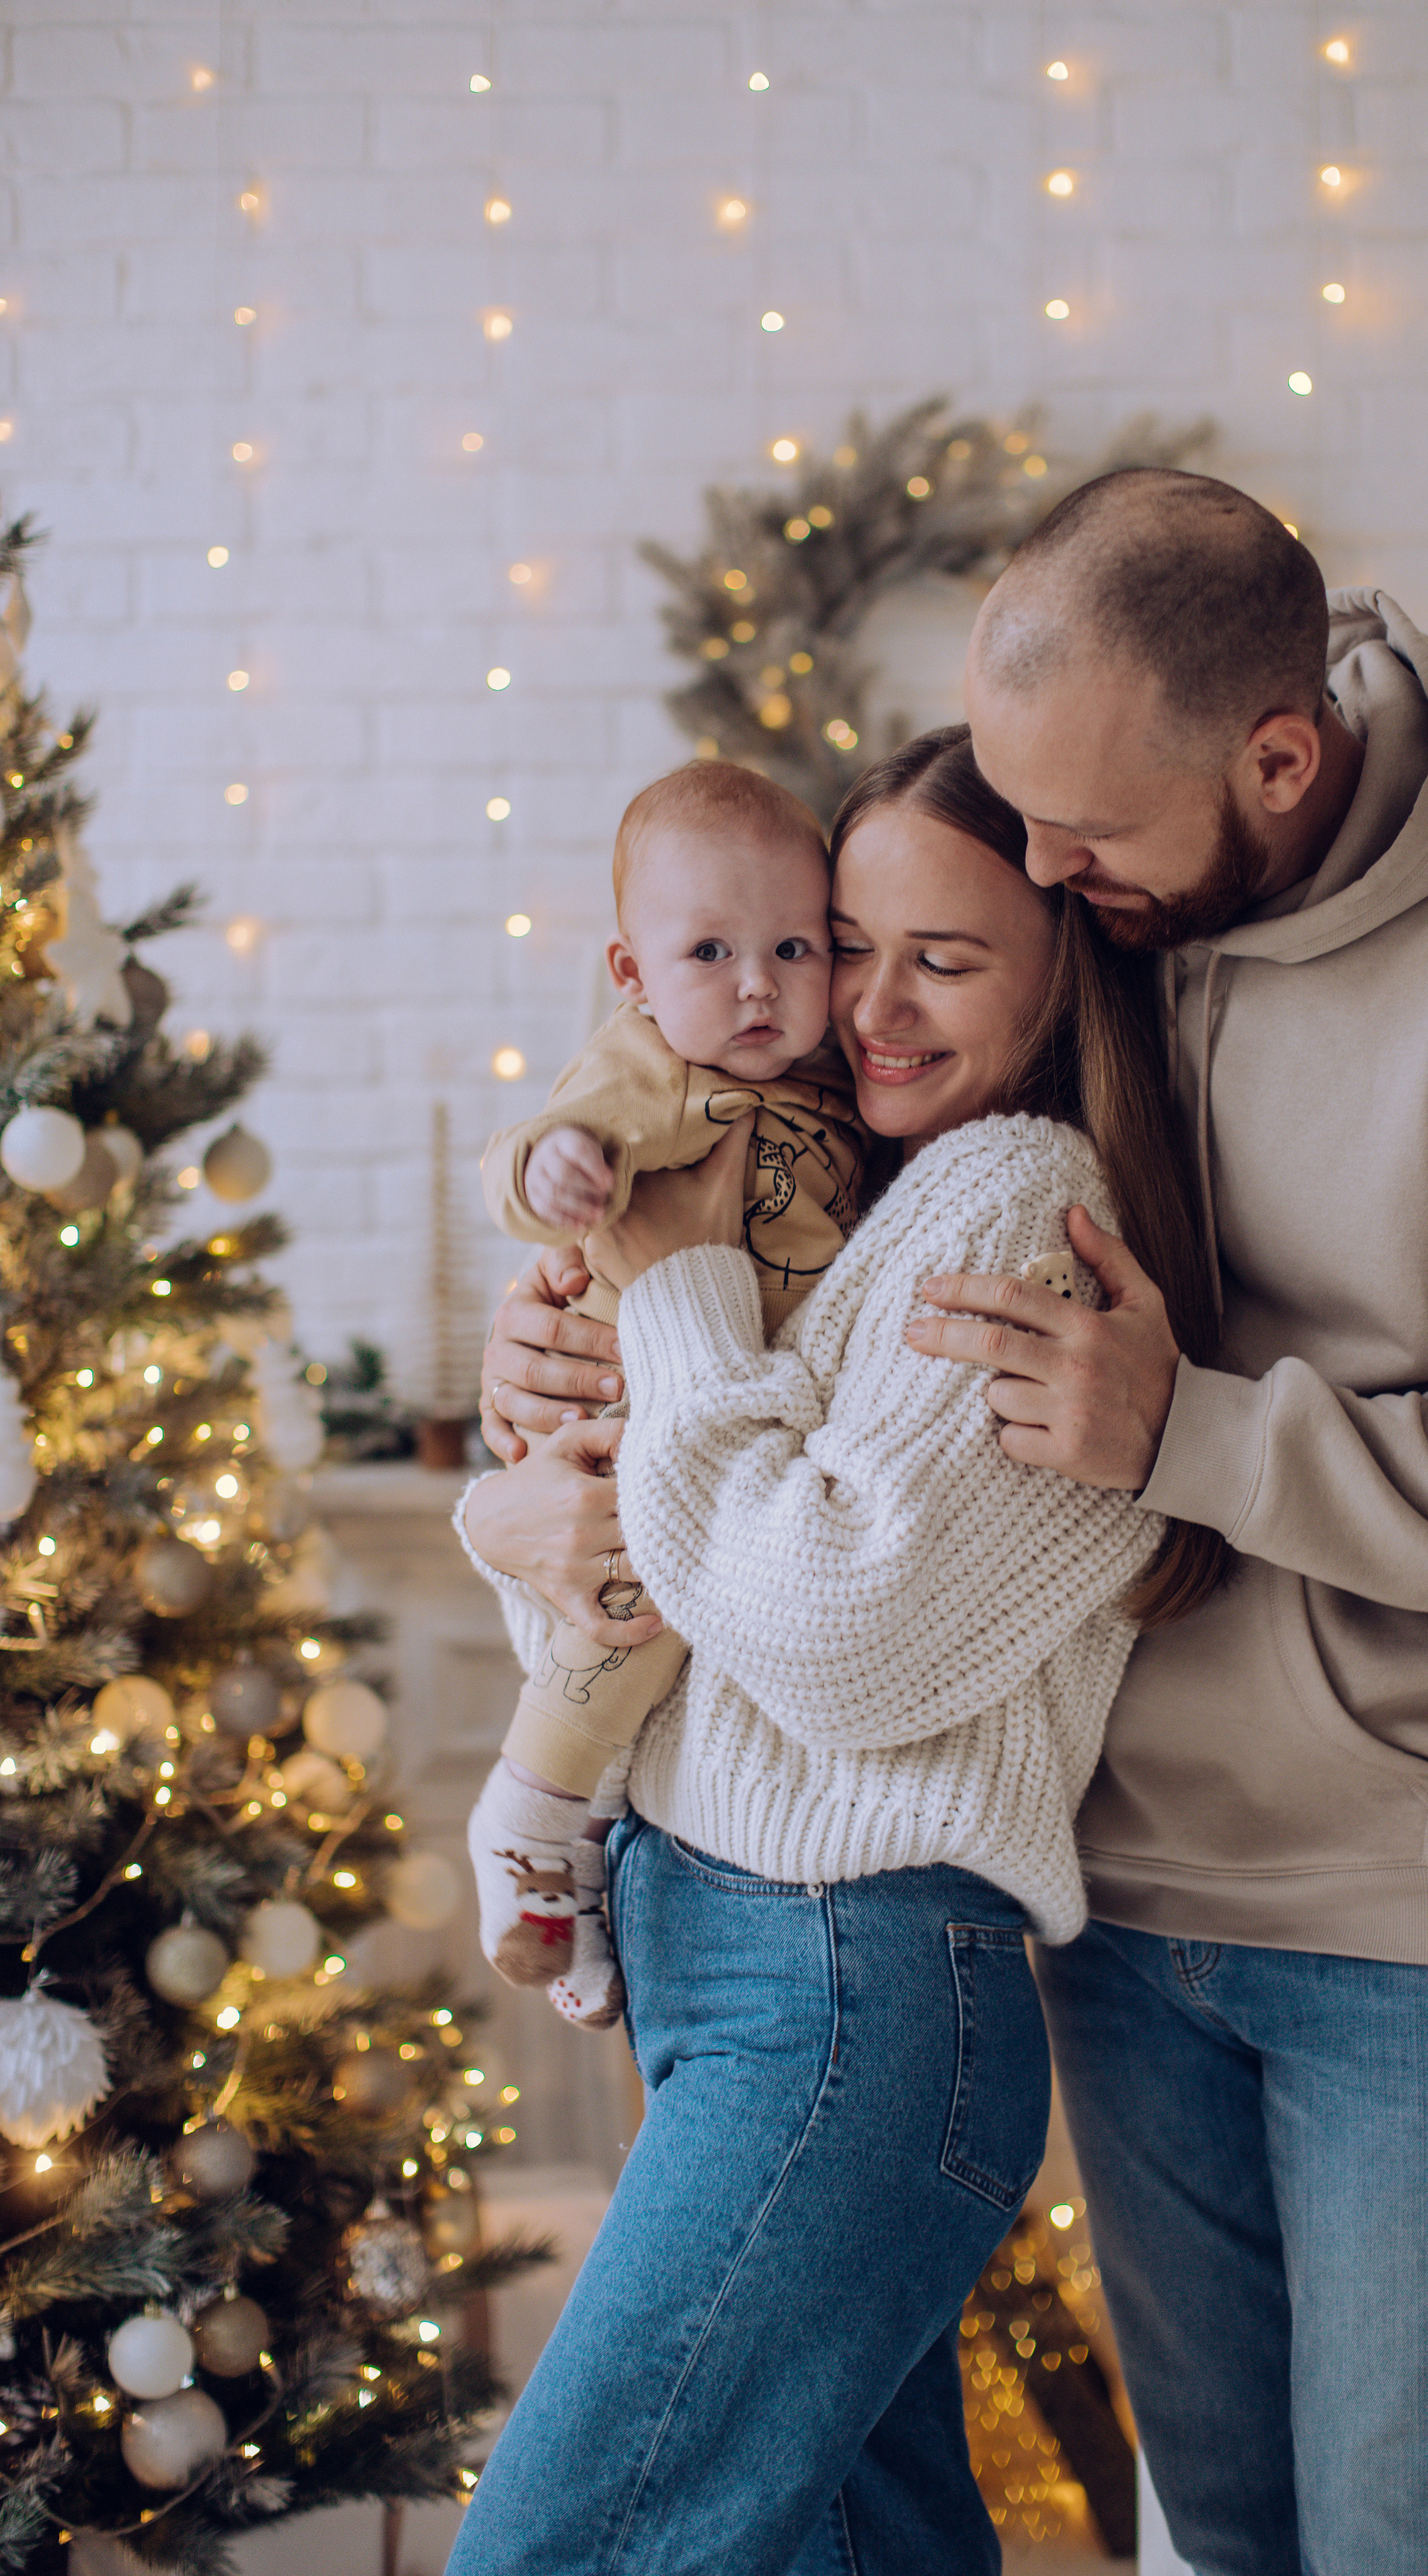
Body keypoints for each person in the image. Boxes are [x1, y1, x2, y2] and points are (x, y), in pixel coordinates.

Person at [482, 471, 1428, 2576]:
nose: (1048, 867)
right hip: (1125, 1907)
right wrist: (543, 1446)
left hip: (1413, 1912)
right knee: (1217, 2544)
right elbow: (773, 1381)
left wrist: (1200, 1437)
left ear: (1275, 759)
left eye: (1073, 849)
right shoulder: (1117, 939)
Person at [450, 730, 1222, 2575]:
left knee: (558, 2548)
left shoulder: (1024, 1207)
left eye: (938, 960)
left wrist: (677, 1288)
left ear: (1065, 972)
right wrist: (522, 1495)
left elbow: (826, 1638)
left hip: (846, 1990)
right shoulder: (844, 1192)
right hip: (754, 1969)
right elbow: (669, 1595)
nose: (855, 1005)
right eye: (839, 940)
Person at [467, 758, 865, 2022]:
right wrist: (563, 1169)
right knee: (640, 1610)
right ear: (633, 975)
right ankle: (528, 1815)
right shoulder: (650, 1068)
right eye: (711, 951)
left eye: (795, 946)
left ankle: (572, 1865)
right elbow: (520, 1159)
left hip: (737, 1406)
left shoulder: (838, 1081)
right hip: (643, 1406)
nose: (759, 984)